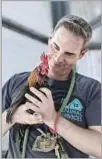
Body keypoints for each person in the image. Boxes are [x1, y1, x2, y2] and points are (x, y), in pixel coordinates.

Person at [2, 15, 101, 158]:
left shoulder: (91, 89)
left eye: (69, 53)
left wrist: (53, 119)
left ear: (82, 54)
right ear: (50, 38)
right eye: (55, 46)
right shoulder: (15, 82)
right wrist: (12, 116)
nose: (58, 58)